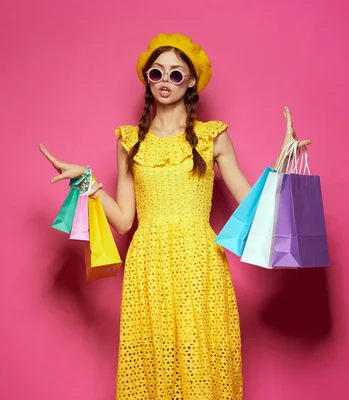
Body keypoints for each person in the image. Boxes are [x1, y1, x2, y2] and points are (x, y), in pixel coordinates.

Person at [39, 33, 311, 400]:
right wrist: (86, 181)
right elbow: (123, 221)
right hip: (147, 266)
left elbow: (253, 208)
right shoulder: (129, 142)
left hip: (200, 265)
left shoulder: (211, 138)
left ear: (192, 81)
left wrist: (283, 158)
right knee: (152, 367)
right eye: (157, 73)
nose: (165, 81)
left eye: (176, 74)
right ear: (148, 80)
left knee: (202, 366)